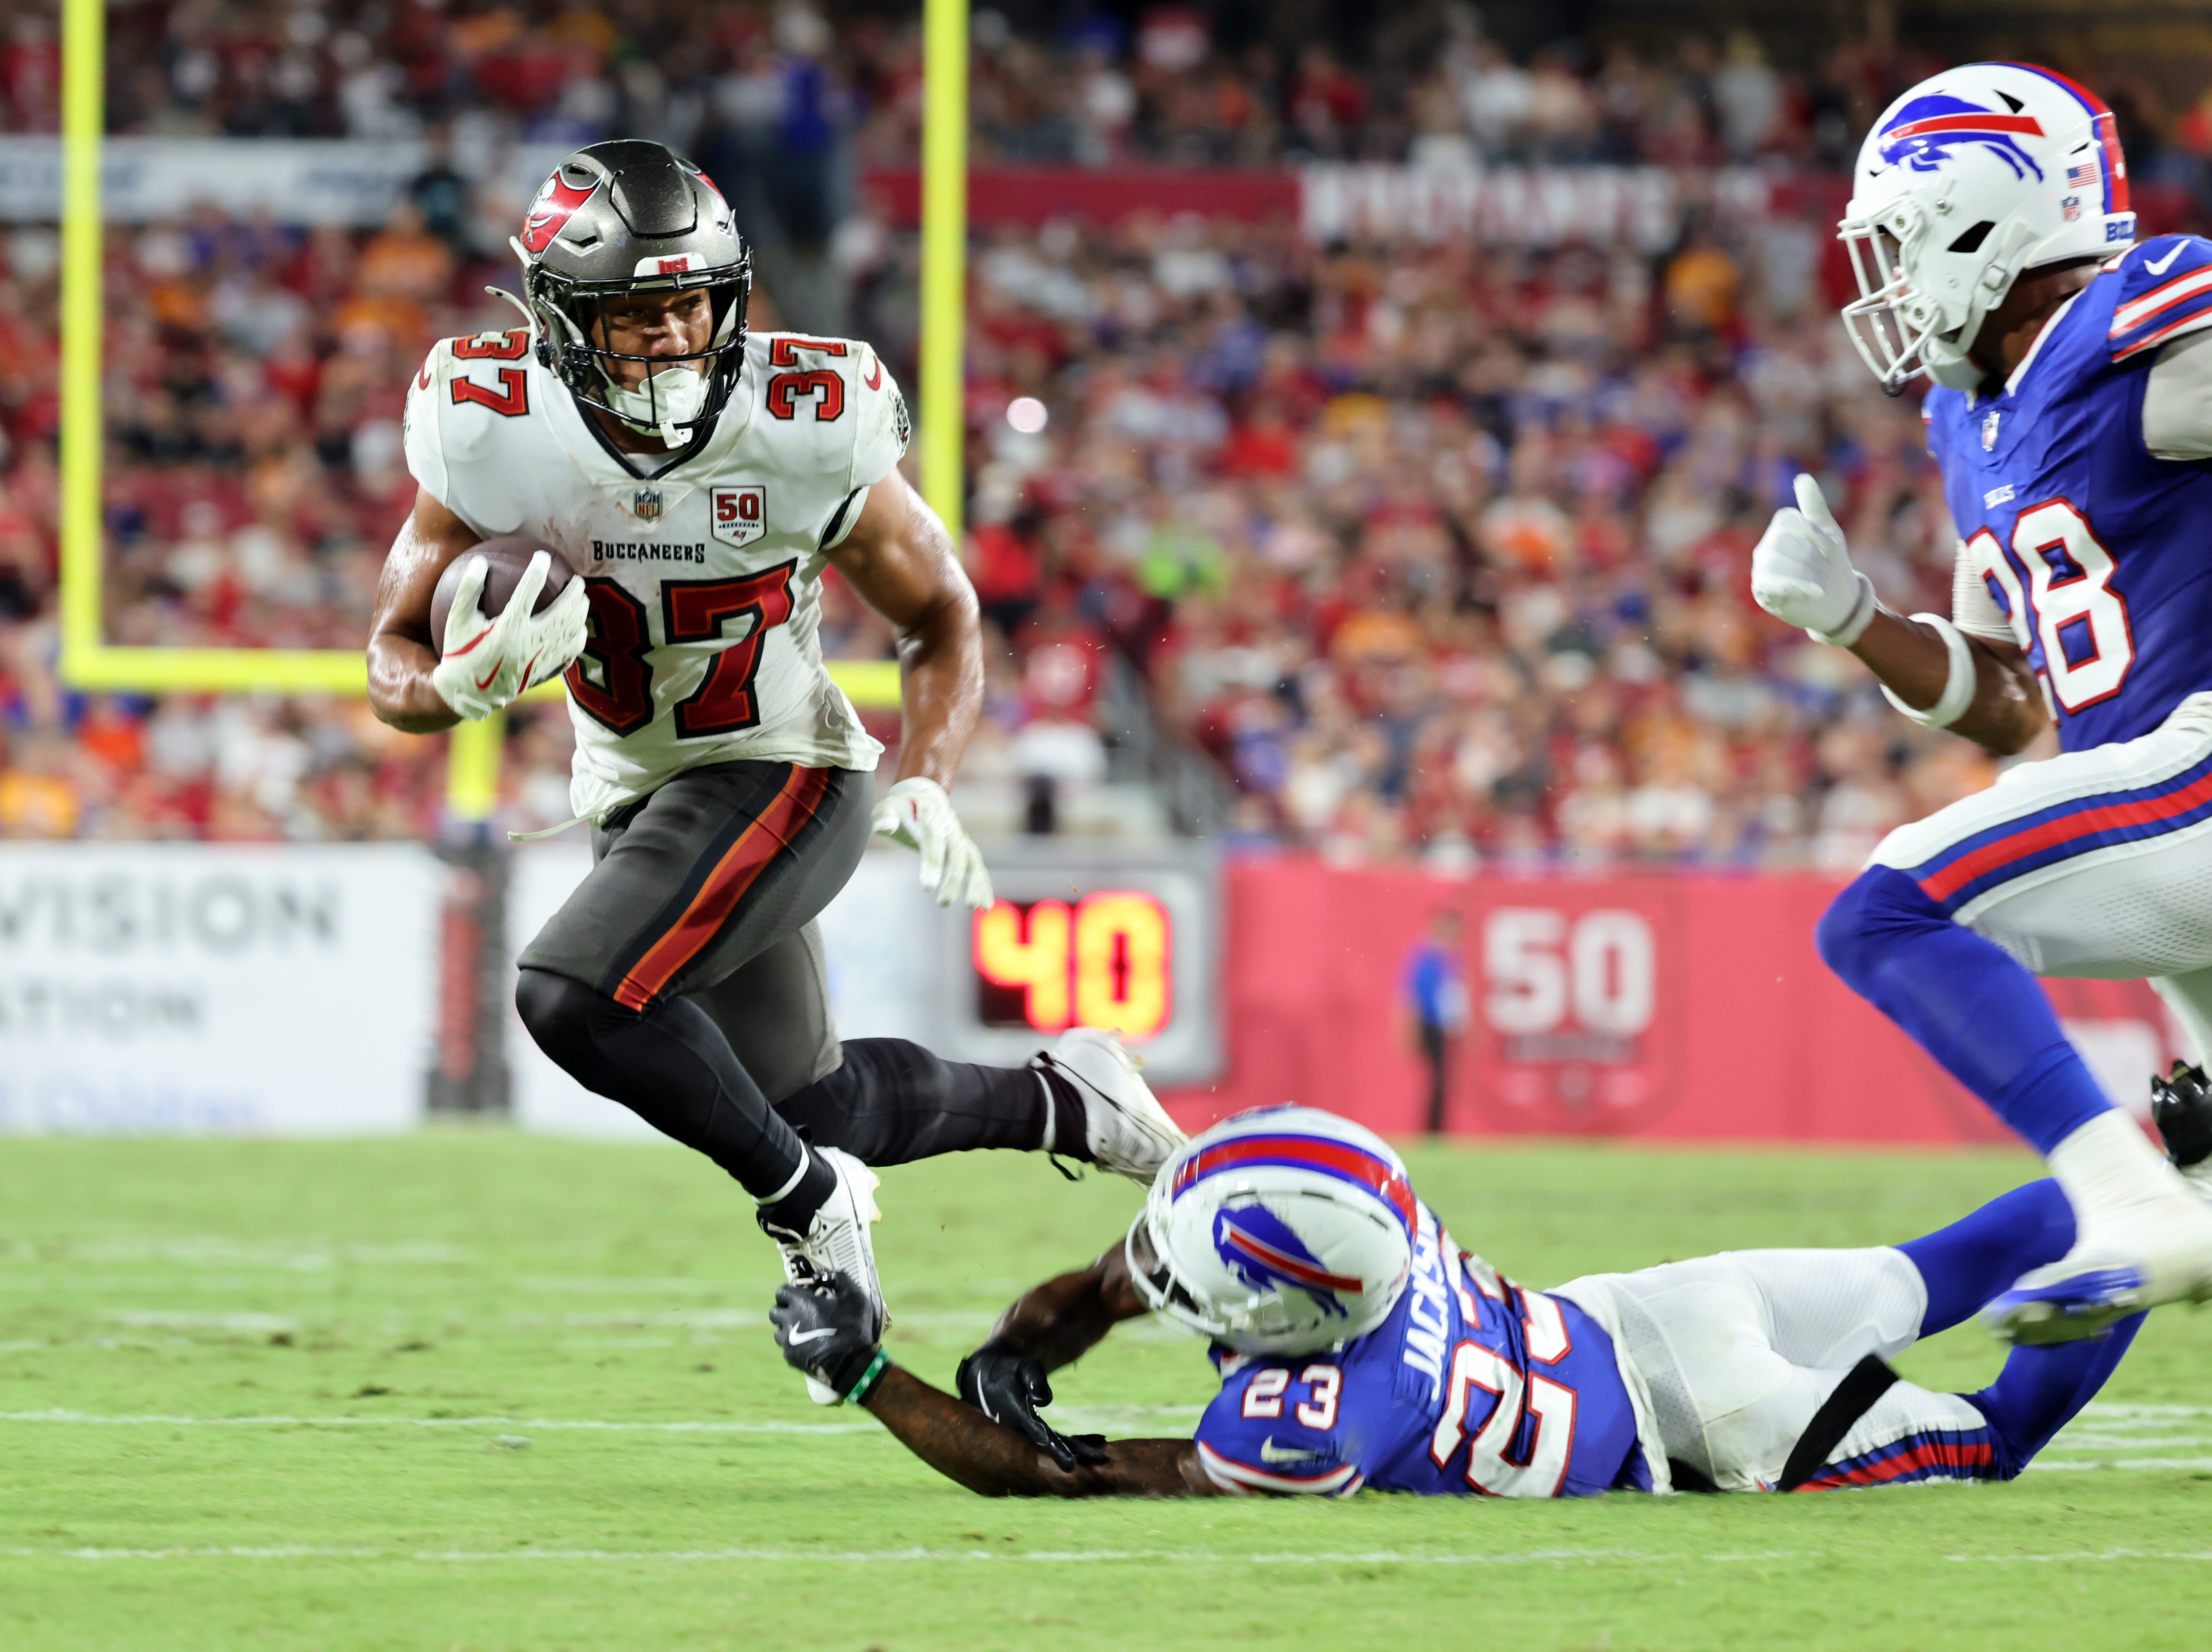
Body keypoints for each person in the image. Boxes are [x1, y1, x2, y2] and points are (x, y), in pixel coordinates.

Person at [364, 140, 1185, 1398]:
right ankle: (1068, 1099)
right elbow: (389, 656)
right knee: (821, 1104)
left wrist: (926, 773)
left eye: (696, 303)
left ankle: (808, 1212)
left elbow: (941, 616)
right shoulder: (487, 423)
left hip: (785, 768)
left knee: (570, 996)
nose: (679, 338)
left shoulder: (801, 415)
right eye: (639, 315)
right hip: (645, 793)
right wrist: (454, 689)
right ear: (557, 320)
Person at [769, 1081, 2212, 1496]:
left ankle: (2167, 1216)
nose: (1155, 1287)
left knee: (1988, 1437)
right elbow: (1119, 1274)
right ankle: (2154, 1147)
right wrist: (1030, 1341)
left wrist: (863, 1374)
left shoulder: (1322, 1417)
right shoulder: (1340, 1204)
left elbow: (1056, 1478)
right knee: (1933, 1268)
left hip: (1715, 1423)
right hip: (1653, 1308)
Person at [1749, 62, 2212, 1344]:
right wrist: (1851, 619)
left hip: (2198, 775)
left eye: (1898, 240)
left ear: (1980, 220)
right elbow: (2016, 708)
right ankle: (1979, 1420)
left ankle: (2127, 1195)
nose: (1885, 278)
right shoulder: (1972, 417)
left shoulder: (2148, 327)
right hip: (2160, 811)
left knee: (1889, 912)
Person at [1404, 909, 1465, 1135]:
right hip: (1430, 1025)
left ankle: (1438, 1127)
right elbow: (1413, 997)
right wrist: (1410, 1032)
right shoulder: (1428, 956)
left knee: (1444, 1078)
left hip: (1447, 1026)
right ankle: (1433, 1128)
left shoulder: (1453, 957)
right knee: (1438, 1077)